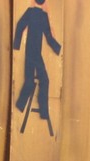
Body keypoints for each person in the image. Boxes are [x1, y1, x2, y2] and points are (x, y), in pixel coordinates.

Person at [13, 0, 61, 133]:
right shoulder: (43, 16)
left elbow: (20, 25)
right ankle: (43, 111)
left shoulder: (30, 12)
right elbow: (49, 37)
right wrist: (58, 49)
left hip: (30, 52)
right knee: (44, 80)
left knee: (29, 81)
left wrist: (16, 45)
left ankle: (20, 105)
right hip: (36, 54)